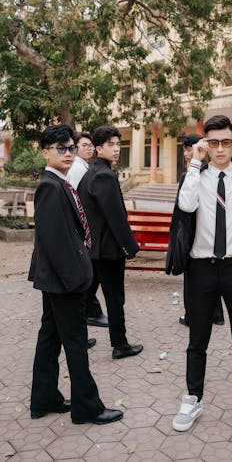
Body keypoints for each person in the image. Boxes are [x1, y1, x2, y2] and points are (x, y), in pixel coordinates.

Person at [171, 115, 232, 436]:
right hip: (201, 269)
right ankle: (193, 398)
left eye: (227, 142)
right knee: (197, 340)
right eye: (213, 143)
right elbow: (186, 205)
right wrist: (195, 162)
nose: (220, 149)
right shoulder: (196, 177)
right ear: (206, 144)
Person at [29, 124, 122, 425]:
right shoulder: (50, 186)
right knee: (76, 343)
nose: (68, 153)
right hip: (64, 281)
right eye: (61, 148)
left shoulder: (61, 183)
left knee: (50, 337)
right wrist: (77, 281)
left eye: (70, 148)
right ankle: (87, 407)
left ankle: (44, 398)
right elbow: (53, 241)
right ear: (45, 152)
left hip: (56, 279)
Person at [78, 125, 143, 360]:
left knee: (85, 297)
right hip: (108, 248)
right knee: (115, 298)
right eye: (110, 145)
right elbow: (116, 217)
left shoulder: (91, 173)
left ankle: (76, 340)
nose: (116, 149)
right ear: (99, 148)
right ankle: (120, 345)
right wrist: (130, 246)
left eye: (118, 144)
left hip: (94, 248)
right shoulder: (104, 175)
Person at [177, 134, 224, 328]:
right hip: (210, 235)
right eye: (186, 150)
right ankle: (217, 315)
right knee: (212, 274)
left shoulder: (192, 174)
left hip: (195, 235)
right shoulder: (212, 173)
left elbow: (182, 211)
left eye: (191, 149)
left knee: (192, 279)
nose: (187, 154)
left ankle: (191, 316)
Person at [66, 132, 109, 329]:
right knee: (90, 274)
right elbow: (75, 200)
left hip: (86, 229)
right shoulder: (77, 169)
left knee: (91, 274)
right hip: (83, 230)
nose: (89, 148)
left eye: (91, 145)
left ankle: (91, 312)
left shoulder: (83, 167)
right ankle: (88, 313)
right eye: (85, 145)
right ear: (75, 148)